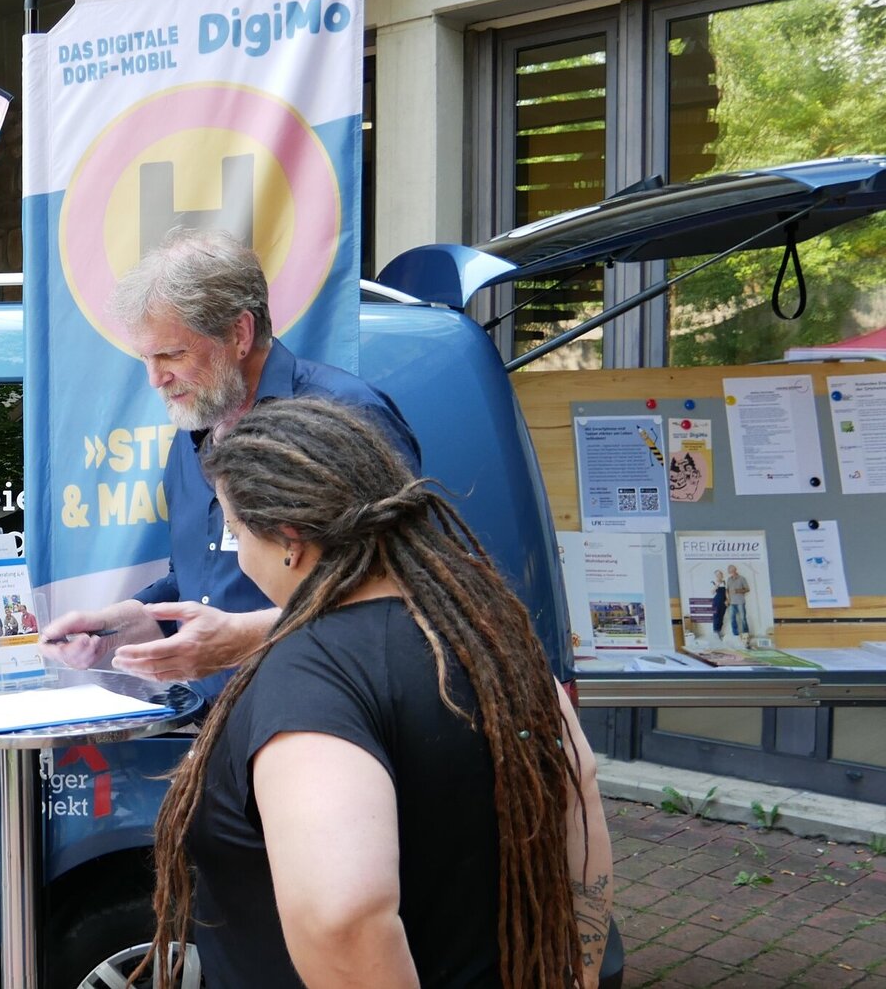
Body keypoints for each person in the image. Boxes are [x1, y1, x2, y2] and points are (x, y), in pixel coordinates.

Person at [143, 397, 613, 988]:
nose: (237, 550)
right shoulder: (489, 634)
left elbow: (343, 918)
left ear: (290, 540)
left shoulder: (310, 674)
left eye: (236, 532)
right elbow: (579, 798)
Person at [41, 227, 419, 696]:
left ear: (240, 333)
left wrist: (241, 639)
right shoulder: (195, 429)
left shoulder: (343, 416)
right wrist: (116, 626)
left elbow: (400, 594)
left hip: (323, 720)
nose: (156, 379)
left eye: (172, 354)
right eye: (145, 358)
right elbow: (197, 583)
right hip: (214, 729)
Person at [725, 564, 752, 642]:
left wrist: (737, 590)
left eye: (731, 571)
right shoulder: (729, 579)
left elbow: (747, 589)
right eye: (729, 571)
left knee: (743, 618)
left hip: (740, 601)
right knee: (732, 619)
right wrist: (727, 599)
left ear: (735, 570)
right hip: (731, 602)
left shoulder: (742, 578)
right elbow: (727, 590)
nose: (730, 573)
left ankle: (745, 635)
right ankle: (735, 635)